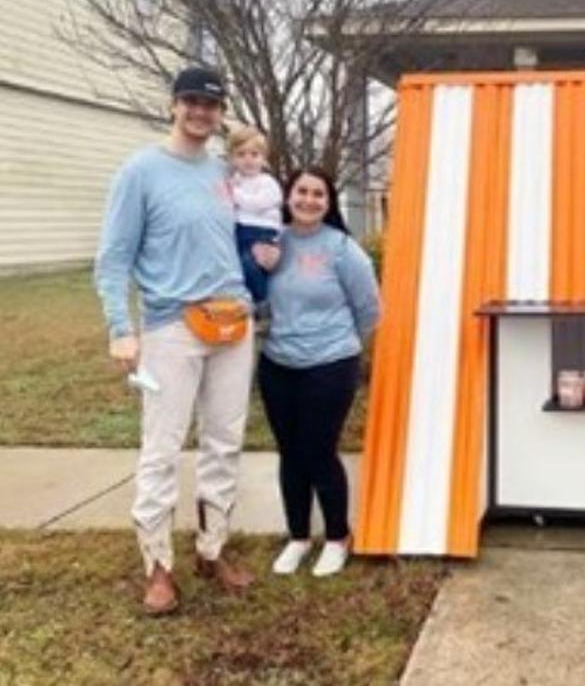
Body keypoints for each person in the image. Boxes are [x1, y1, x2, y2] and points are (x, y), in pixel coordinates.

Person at [94, 66, 277, 615]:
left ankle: (211, 549)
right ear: (174, 104)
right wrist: (121, 329)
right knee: (163, 448)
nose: (201, 111)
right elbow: (113, 259)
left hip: (232, 324)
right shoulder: (141, 172)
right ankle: (157, 566)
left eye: (212, 104)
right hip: (172, 327)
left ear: (221, 113)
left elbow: (255, 226)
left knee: (224, 440)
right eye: (192, 101)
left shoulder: (227, 174)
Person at [257, 167, 380, 577]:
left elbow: (369, 309)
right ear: (288, 197)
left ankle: (336, 536)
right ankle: (297, 537)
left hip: (330, 365)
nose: (309, 200)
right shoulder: (271, 241)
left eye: (319, 194)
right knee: (290, 453)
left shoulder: (342, 249)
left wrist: (335, 343)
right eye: (301, 192)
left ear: (328, 203)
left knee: (318, 451)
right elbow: (256, 295)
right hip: (277, 364)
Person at [227, 126, 283, 305]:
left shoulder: (267, 182)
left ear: (263, 159)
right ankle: (248, 299)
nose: (248, 159)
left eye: (254, 154)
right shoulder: (234, 180)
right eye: (241, 154)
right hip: (240, 230)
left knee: (249, 264)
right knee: (238, 268)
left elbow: (257, 205)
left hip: (261, 232)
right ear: (233, 158)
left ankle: (264, 300)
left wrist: (235, 195)